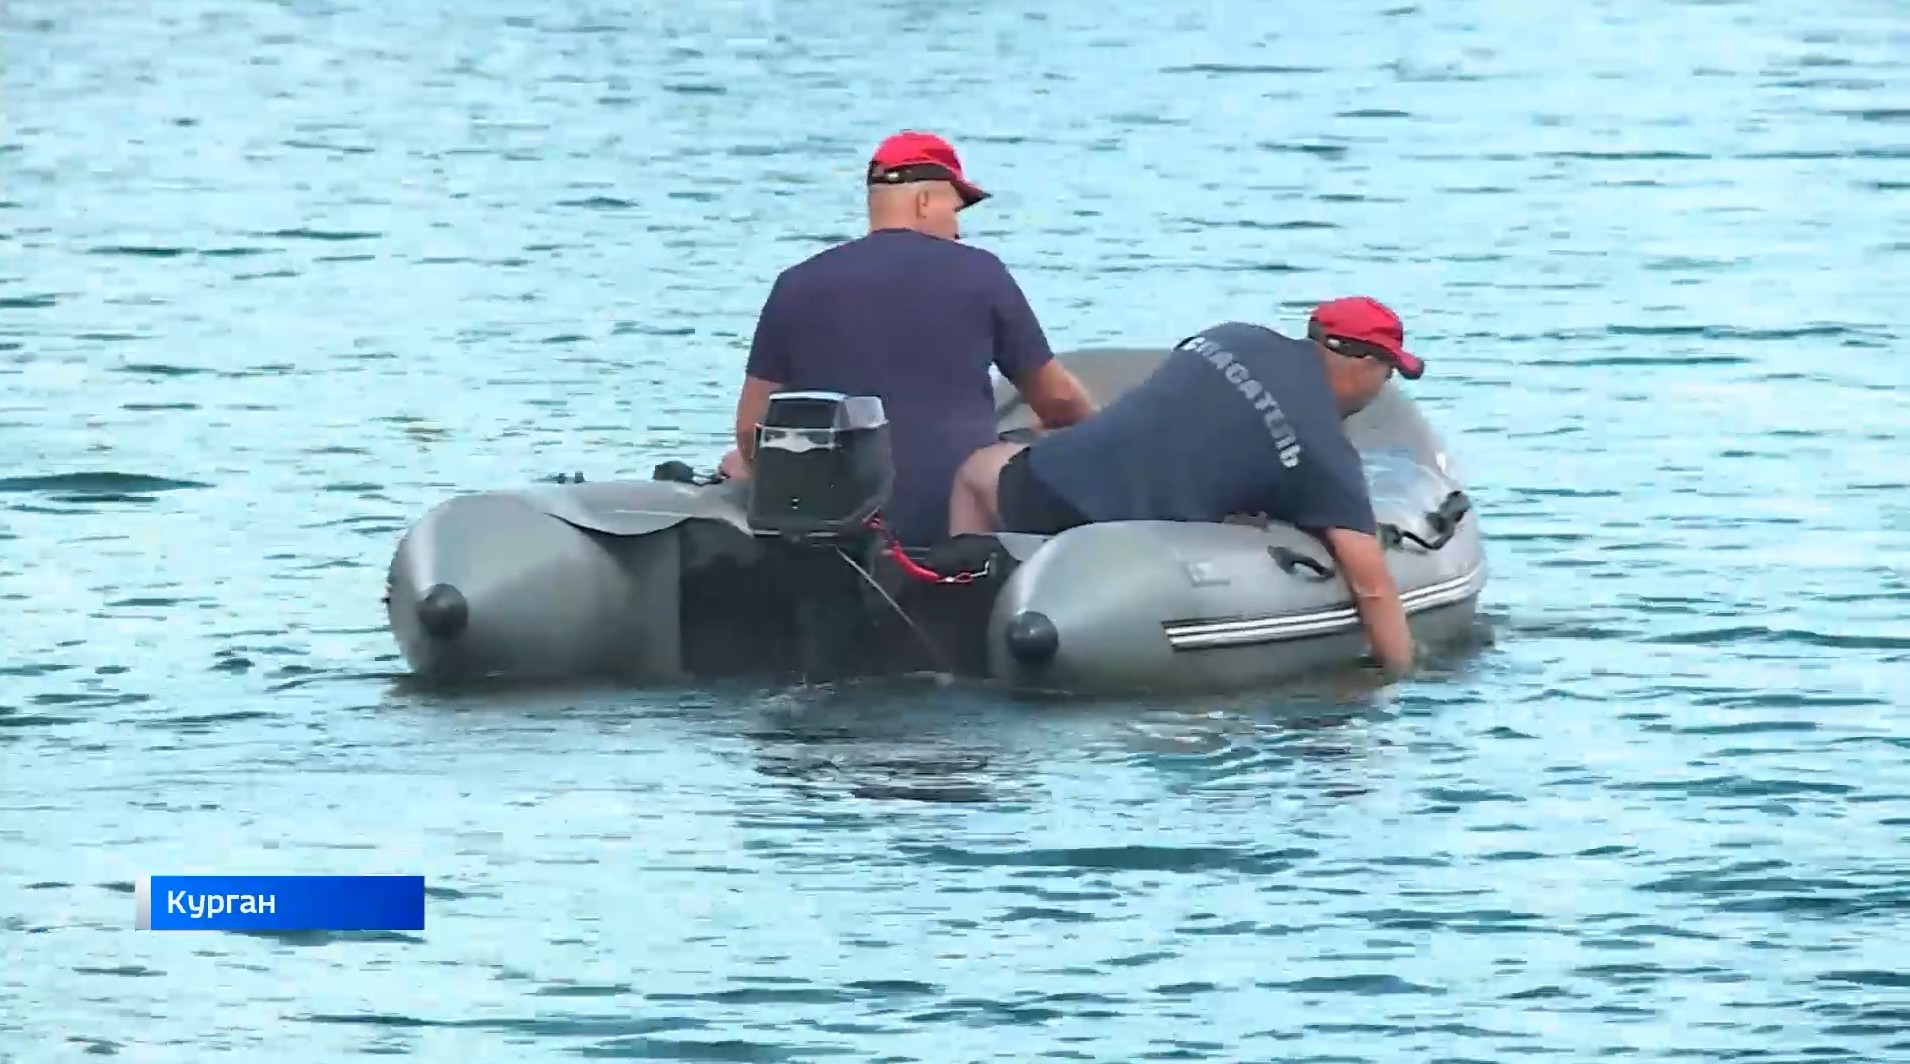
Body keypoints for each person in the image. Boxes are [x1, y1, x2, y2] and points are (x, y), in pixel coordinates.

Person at [946, 296, 1427, 676]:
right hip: (1123, 558)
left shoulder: (1230, 337)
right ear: (1363, 363)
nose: (1382, 387)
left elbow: (1176, 417)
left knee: (976, 471)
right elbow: (1373, 586)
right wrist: (1400, 672)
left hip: (1047, 485)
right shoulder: (1325, 453)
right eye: (1387, 372)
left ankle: (957, 623)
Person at [718, 130, 1094, 547]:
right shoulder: (980, 273)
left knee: (734, 463)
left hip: (838, 537)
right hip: (950, 528)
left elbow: (751, 429)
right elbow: (1059, 401)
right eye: (956, 210)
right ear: (924, 202)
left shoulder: (795, 284)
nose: (957, 230)